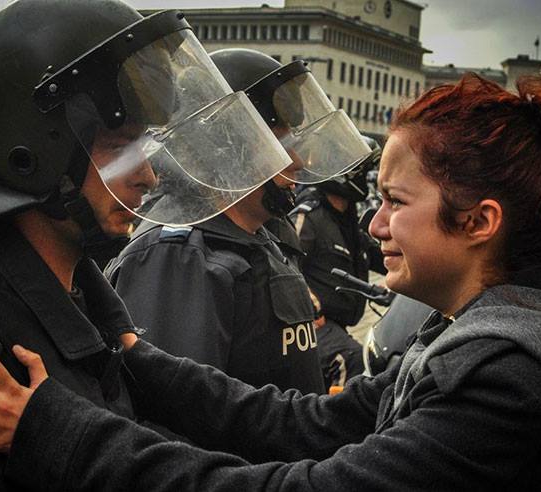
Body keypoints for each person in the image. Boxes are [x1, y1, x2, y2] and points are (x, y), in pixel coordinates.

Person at [0, 72, 541, 489]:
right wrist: (137, 358)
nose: (374, 225)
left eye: (396, 200)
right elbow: (305, 422)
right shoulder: (486, 335)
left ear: (480, 222)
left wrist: (57, 432)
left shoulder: (507, 380)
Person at [0, 1, 293, 489]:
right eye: (119, 147)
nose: (146, 176)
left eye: (143, 149)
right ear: (37, 152)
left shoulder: (92, 311)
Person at [105, 48, 373, 394]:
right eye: (280, 140)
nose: (299, 159)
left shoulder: (268, 235)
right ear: (229, 145)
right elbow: (175, 414)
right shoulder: (180, 257)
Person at [290, 141, 386, 387]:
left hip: (337, 326)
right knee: (351, 360)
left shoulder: (349, 221)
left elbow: (381, 256)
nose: (366, 180)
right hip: (311, 326)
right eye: (361, 173)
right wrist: (311, 307)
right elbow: (284, 262)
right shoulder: (309, 216)